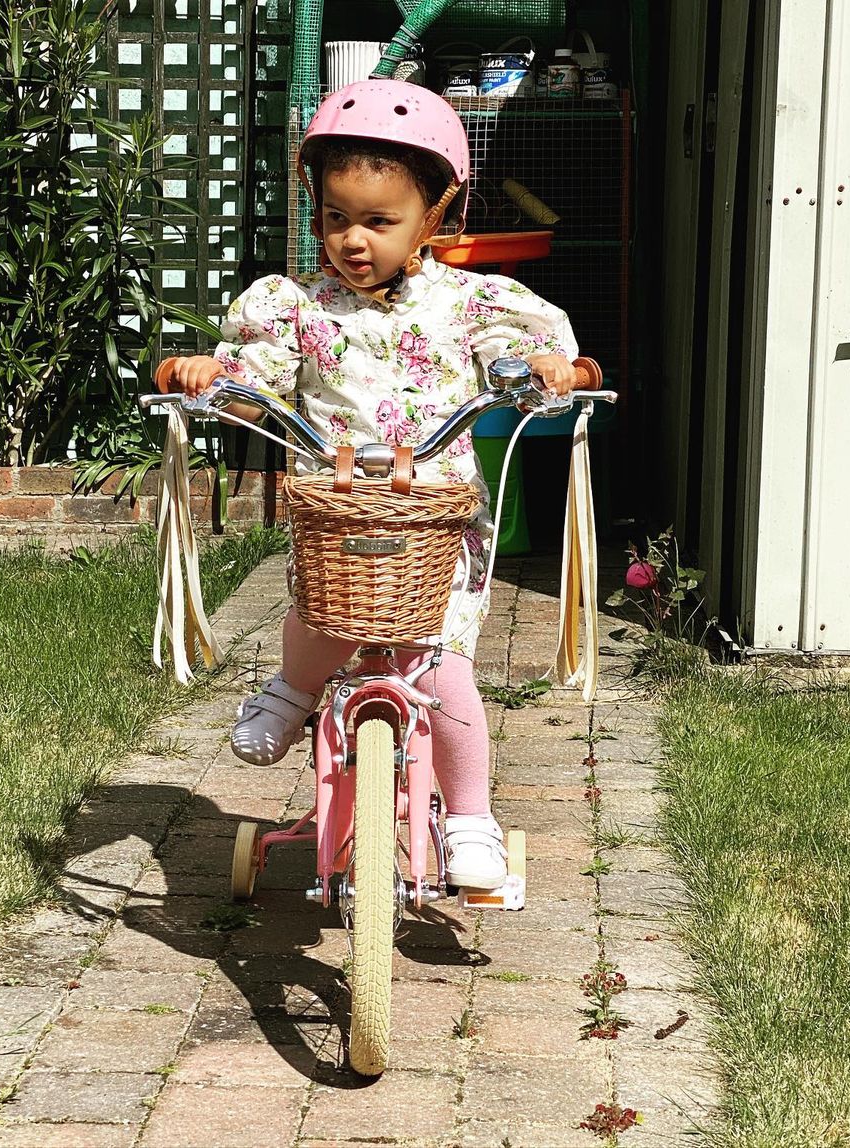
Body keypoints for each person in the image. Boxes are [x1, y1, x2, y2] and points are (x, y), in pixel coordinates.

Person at [162, 79, 593, 889]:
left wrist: (542, 368)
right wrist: (211, 375)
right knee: (320, 619)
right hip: (342, 514)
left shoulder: (470, 305)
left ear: (434, 218)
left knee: (444, 667)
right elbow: (255, 372)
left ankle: (468, 816)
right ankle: (292, 694)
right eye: (334, 218)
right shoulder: (298, 307)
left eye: (379, 220)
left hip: (437, 526)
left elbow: (521, 357)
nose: (351, 239)